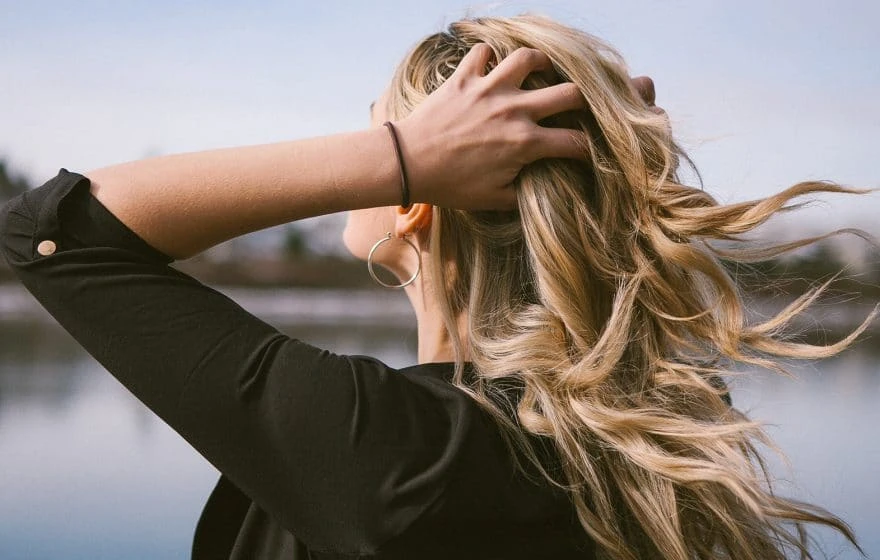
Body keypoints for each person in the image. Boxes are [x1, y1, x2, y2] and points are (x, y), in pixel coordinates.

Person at [0, 13, 873, 560]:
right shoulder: (656, 441)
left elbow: (52, 231)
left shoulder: (387, 449)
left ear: (419, 204)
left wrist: (398, 159)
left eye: (379, 128)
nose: (359, 143)